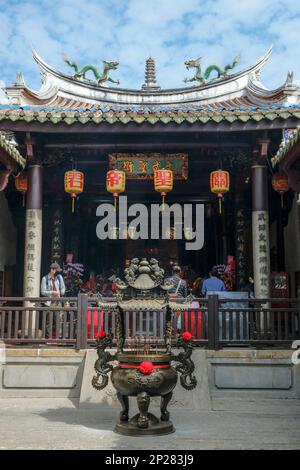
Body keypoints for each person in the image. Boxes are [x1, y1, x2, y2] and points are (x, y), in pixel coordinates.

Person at [41, 262, 66, 338]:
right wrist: (52, 292)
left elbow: (62, 287)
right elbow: (43, 292)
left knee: (59, 320)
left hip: (58, 302)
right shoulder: (45, 279)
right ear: (52, 270)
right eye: (56, 270)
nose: (57, 272)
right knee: (49, 321)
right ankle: (48, 338)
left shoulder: (59, 277)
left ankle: (59, 337)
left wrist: (62, 290)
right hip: (49, 302)